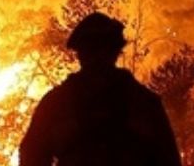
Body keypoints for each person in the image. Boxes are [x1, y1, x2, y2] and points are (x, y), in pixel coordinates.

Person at [19, 12, 183, 166]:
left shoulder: (143, 103)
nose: (97, 57)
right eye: (91, 50)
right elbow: (32, 156)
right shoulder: (143, 102)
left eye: (102, 49)